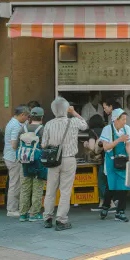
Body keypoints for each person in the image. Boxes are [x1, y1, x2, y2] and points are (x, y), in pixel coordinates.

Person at [43, 97, 88, 231]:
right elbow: (85, 125)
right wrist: (73, 112)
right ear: (66, 108)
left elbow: (44, 144)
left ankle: (47, 218)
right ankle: (61, 220)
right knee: (65, 191)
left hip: (53, 160)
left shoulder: (49, 124)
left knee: (50, 190)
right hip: (69, 159)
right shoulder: (73, 122)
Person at [99, 109, 130, 222]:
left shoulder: (127, 128)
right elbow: (105, 147)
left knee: (124, 187)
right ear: (115, 119)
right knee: (111, 186)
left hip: (123, 160)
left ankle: (120, 212)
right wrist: (119, 139)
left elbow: (128, 146)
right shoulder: (107, 129)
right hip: (111, 161)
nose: (125, 121)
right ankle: (106, 206)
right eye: (123, 119)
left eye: (125, 119)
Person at [18, 107, 46, 222]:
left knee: (25, 187)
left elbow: (15, 145)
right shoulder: (42, 129)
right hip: (38, 162)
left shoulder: (23, 128)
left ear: (30, 117)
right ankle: (34, 213)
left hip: (24, 161)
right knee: (37, 187)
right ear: (42, 117)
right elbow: (45, 145)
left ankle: (23, 214)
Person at [4, 105, 30, 217]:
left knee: (17, 183)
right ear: (22, 114)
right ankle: (11, 209)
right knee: (15, 183)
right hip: (14, 157)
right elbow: (14, 144)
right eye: (27, 116)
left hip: (11, 157)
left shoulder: (15, 123)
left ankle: (17, 207)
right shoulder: (15, 125)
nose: (27, 119)